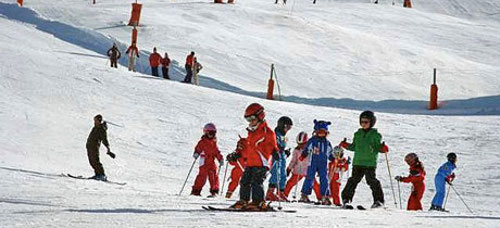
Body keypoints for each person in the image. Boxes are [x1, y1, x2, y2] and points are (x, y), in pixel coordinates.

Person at [230, 103, 278, 211]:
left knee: (257, 182)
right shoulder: (251, 132)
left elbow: (272, 144)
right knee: (244, 181)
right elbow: (249, 148)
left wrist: (275, 151)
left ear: (260, 116)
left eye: (252, 118)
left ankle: (258, 201)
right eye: (248, 119)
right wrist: (239, 154)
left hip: (262, 163)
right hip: (251, 162)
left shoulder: (267, 132)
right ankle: (244, 200)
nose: (250, 122)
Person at [339, 110, 389, 209]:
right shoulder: (357, 134)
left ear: (372, 122)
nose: (363, 124)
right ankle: (346, 199)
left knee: (371, 180)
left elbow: (378, 147)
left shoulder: (375, 135)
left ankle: (379, 201)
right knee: (353, 180)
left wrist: (383, 149)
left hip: (370, 163)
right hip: (358, 162)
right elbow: (354, 147)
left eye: (366, 122)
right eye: (362, 122)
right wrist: (346, 145)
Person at [299, 120, 334, 205]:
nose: (321, 134)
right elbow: (307, 148)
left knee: (324, 178)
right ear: (316, 132)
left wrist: (332, 158)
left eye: (323, 132)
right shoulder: (312, 141)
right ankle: (304, 195)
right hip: (313, 162)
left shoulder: (327, 143)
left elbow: (330, 152)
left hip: (323, 163)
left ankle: (325, 196)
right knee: (310, 177)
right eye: (320, 132)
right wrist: (303, 155)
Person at [283, 131, 321, 201]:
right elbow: (293, 161)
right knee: (290, 183)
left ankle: (320, 197)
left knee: (315, 185)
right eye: (299, 144)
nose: (301, 146)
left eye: (303, 144)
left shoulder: (311, 149)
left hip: (308, 171)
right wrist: (289, 169)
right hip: (298, 171)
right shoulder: (296, 150)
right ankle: (283, 195)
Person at [191, 123, 224, 197]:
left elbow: (216, 152)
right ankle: (196, 191)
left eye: (213, 133)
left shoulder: (214, 142)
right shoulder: (202, 142)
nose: (211, 135)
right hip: (204, 160)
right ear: (206, 132)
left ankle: (214, 191)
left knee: (214, 176)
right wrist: (196, 153)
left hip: (211, 161)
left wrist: (220, 158)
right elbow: (198, 148)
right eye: (210, 133)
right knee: (202, 176)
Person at [266, 116, 293, 201]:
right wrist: (278, 150)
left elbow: (282, 146)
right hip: (275, 156)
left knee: (283, 174)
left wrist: (285, 152)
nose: (288, 130)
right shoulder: (275, 134)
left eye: (289, 128)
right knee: (276, 173)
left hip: (281, 156)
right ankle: (270, 193)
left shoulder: (284, 136)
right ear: (282, 126)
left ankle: (280, 192)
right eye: (287, 127)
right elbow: (274, 145)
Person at [86, 114, 115, 181]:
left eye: (95, 120)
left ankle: (102, 175)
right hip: (90, 147)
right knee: (92, 161)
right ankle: (97, 174)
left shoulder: (101, 129)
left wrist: (108, 149)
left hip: (94, 147)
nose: (94, 121)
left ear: (99, 120)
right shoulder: (95, 127)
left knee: (95, 161)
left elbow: (104, 139)